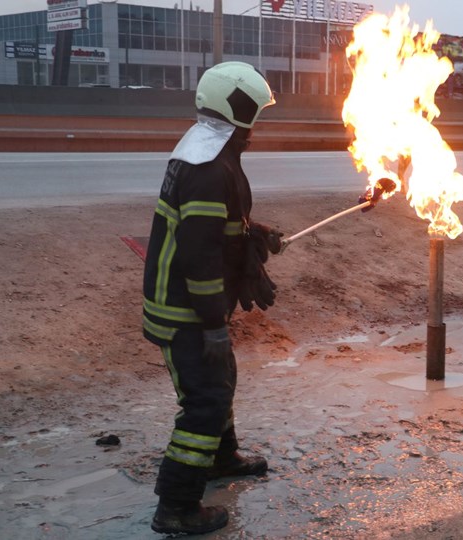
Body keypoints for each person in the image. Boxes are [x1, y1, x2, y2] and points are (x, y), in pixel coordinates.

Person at [141, 61, 283, 535]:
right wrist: (213, 325)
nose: (258, 122)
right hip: (184, 307)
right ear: (238, 109)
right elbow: (198, 256)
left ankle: (222, 459)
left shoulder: (211, 150)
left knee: (221, 379)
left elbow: (214, 227)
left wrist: (254, 234)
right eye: (255, 111)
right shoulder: (207, 167)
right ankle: (176, 506)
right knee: (203, 401)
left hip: (194, 304)